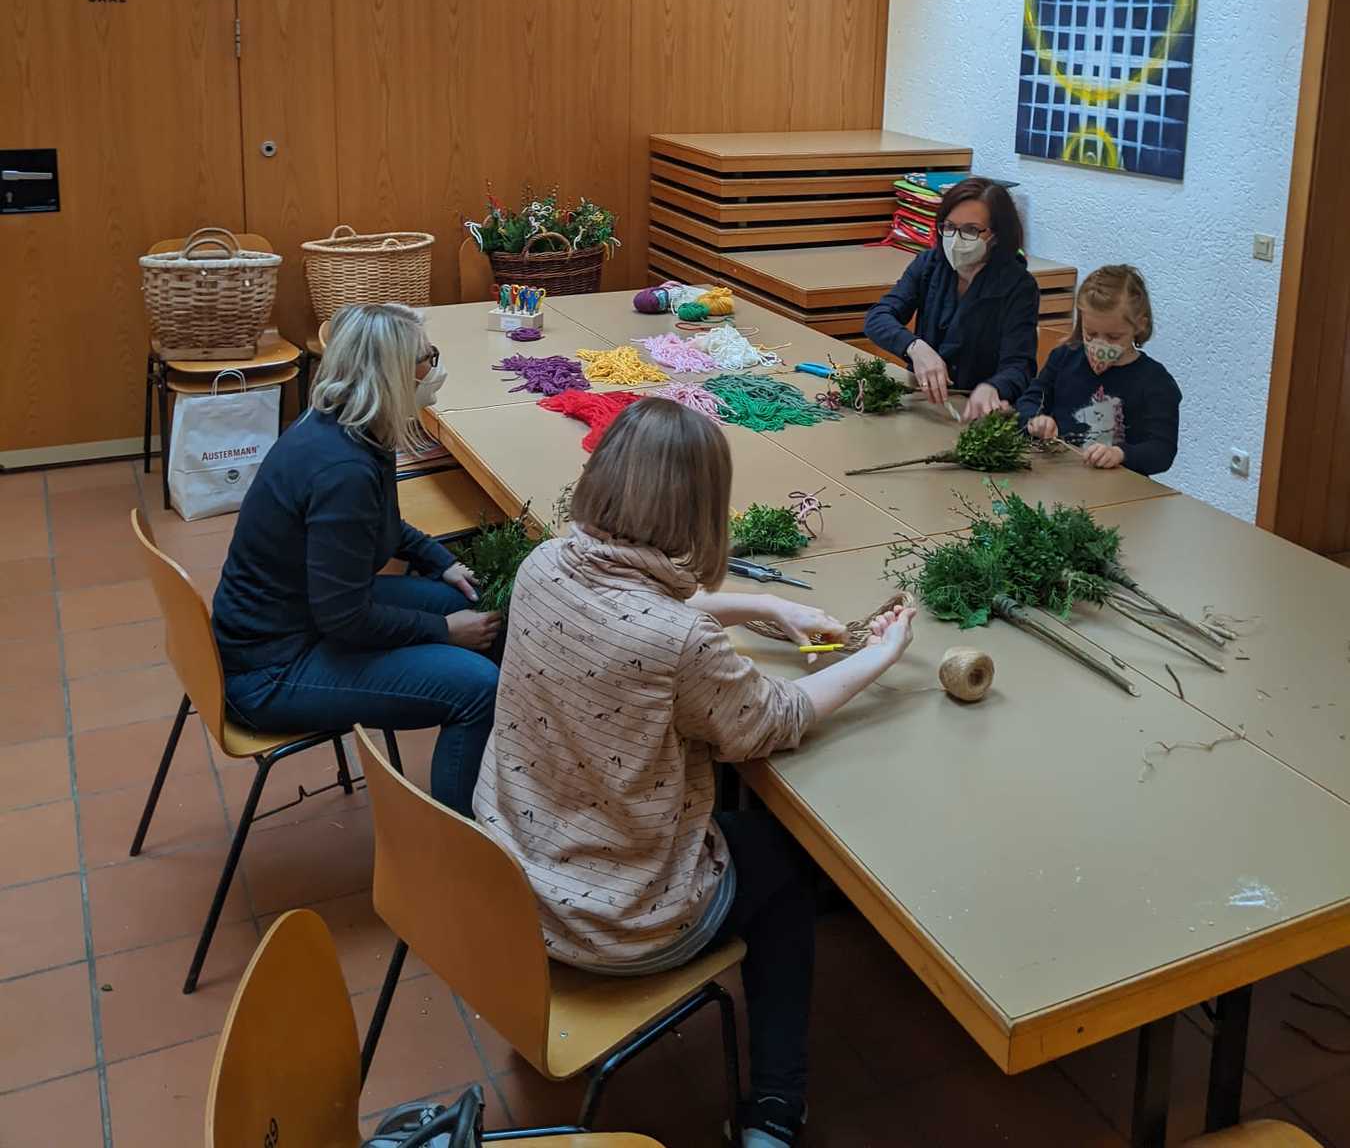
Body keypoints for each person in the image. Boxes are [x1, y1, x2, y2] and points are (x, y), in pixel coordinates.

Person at [474, 398, 916, 1148]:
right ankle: (774, 1110)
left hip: (511, 884)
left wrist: (764, 605)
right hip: (612, 921)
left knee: (739, 829)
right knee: (786, 866)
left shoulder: (542, 565)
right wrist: (879, 656)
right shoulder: (679, 641)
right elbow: (775, 718)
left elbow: (637, 600)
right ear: (701, 510)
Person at [211, 302, 501, 815]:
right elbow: (344, 618)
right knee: (479, 690)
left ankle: (493, 785)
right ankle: (457, 841)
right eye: (426, 358)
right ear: (392, 374)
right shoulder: (343, 469)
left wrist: (440, 560)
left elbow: (380, 524)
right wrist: (442, 632)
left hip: (294, 619)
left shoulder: (346, 425)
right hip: (271, 669)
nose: (432, 367)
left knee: (469, 607)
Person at [863, 176, 1039, 419]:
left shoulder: (1018, 285)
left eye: (970, 230)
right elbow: (878, 317)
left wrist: (993, 387)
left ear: (996, 235)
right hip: (925, 403)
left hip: (977, 412)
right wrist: (915, 347)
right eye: (949, 227)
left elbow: (1019, 366)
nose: (955, 239)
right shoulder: (929, 264)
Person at [1016, 264, 1180, 476]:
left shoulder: (1155, 381)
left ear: (1140, 325)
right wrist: (1035, 420)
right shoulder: (1064, 358)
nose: (1100, 345)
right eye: (1091, 334)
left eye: (1113, 337)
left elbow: (1162, 451)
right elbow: (1029, 399)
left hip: (1119, 487)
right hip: (1058, 477)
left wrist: (1121, 454)